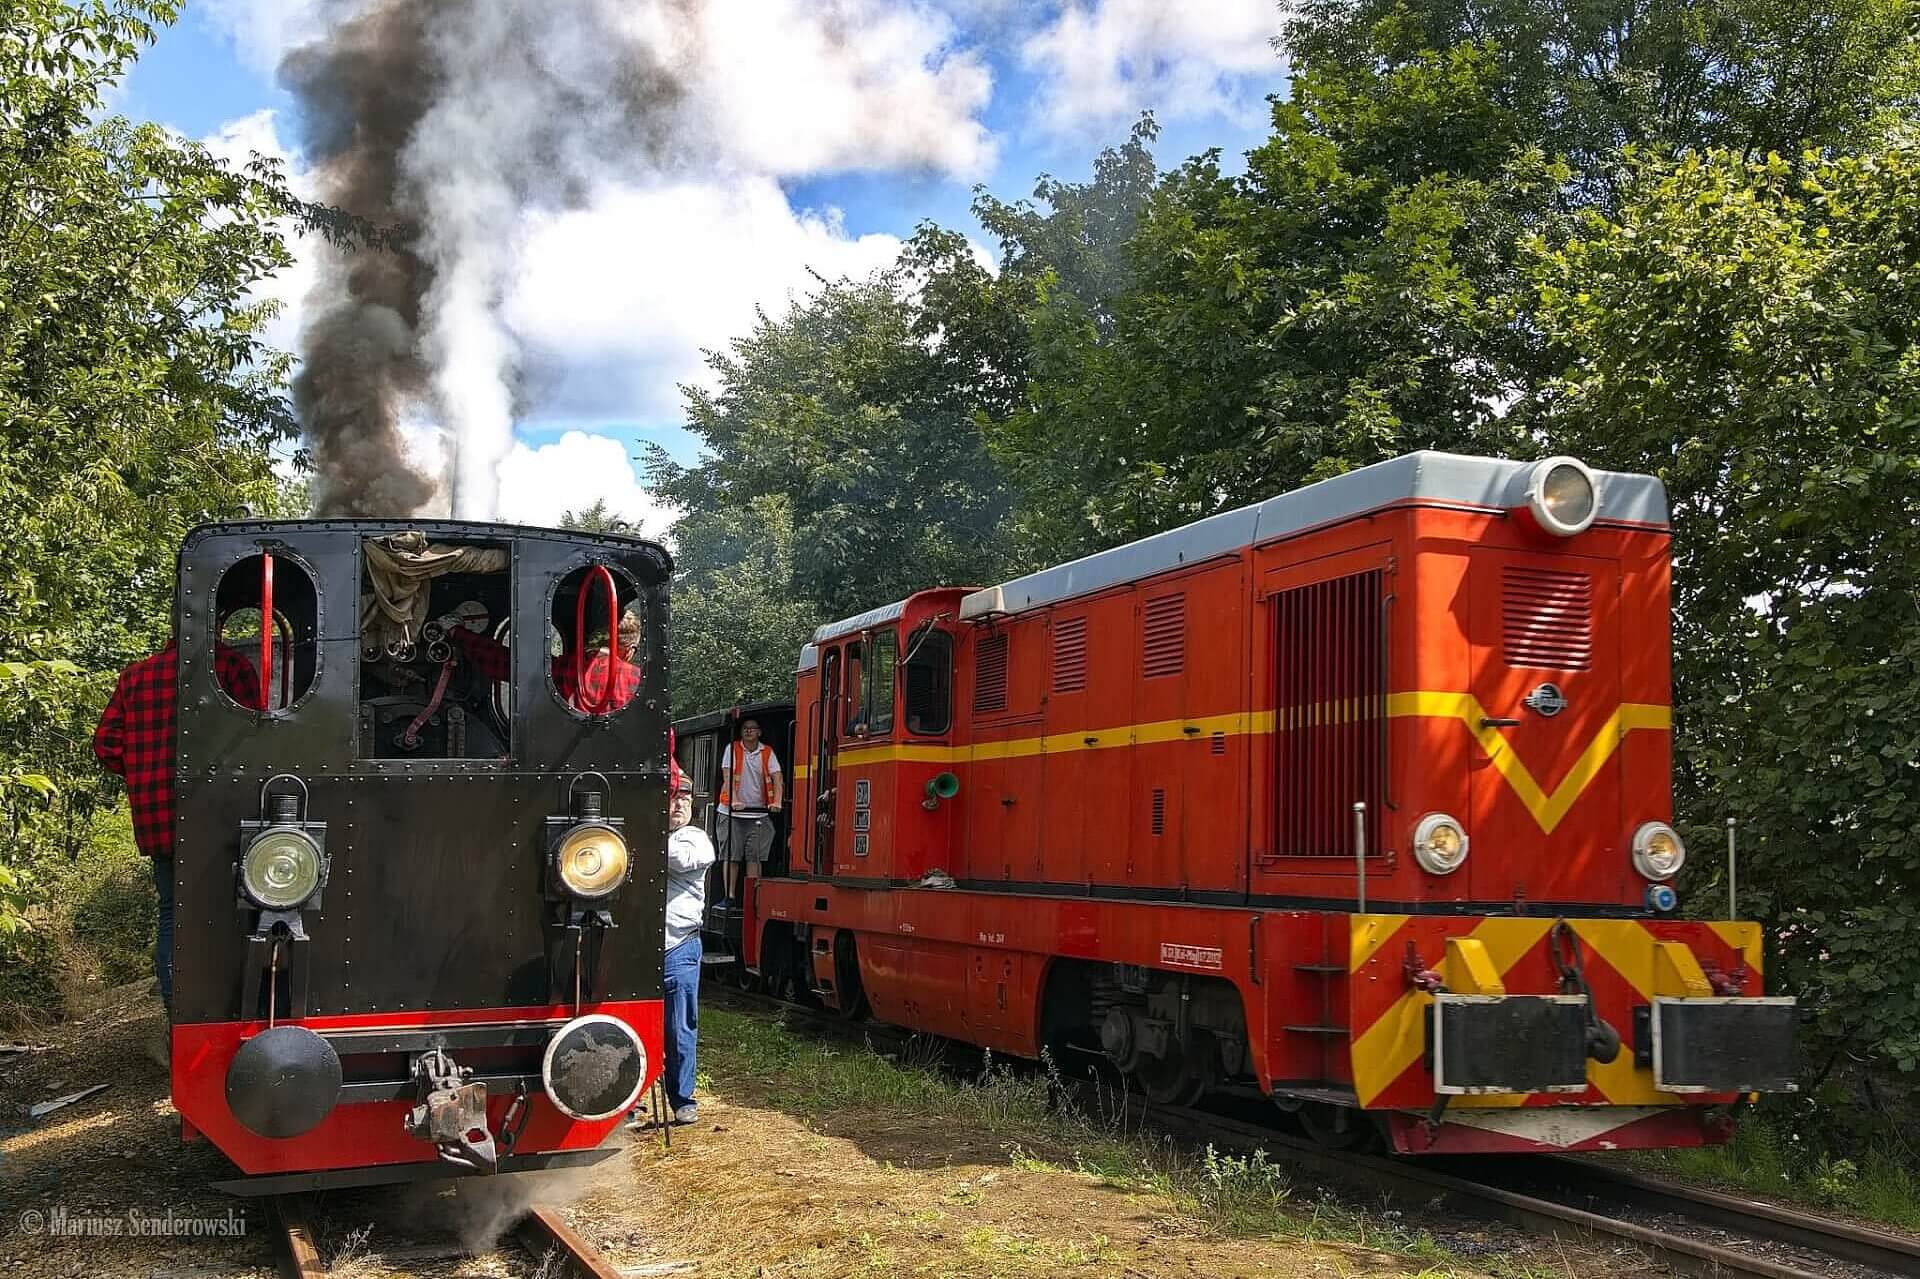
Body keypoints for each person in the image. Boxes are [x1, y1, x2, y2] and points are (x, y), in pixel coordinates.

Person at [93, 628, 261, 1017]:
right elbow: (257, 735)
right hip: (222, 816)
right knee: (235, 910)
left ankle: (177, 1009)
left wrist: (144, 774)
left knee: (172, 911)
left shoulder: (136, 676)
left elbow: (106, 745)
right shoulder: (230, 667)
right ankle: (231, 1005)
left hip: (158, 819)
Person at [443, 606, 642, 713]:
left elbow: (503, 663)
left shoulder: (568, 668)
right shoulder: (639, 682)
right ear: (629, 650)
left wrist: (457, 633)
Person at [660, 778, 713, 1125]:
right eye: (672, 796)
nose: (679, 804)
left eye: (685, 798)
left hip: (678, 946)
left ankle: (682, 1099)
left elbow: (679, 860)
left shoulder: (695, 839)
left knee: (679, 1028)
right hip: (639, 949)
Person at [716, 718, 781, 903]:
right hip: (731, 813)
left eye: (752, 728)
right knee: (732, 856)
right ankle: (729, 896)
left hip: (758, 813)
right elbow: (728, 776)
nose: (748, 731)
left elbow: (777, 778)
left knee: (755, 857)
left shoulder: (767, 752)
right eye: (745, 728)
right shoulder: (732, 749)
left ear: (759, 732)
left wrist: (777, 801)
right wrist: (735, 800)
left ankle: (753, 899)